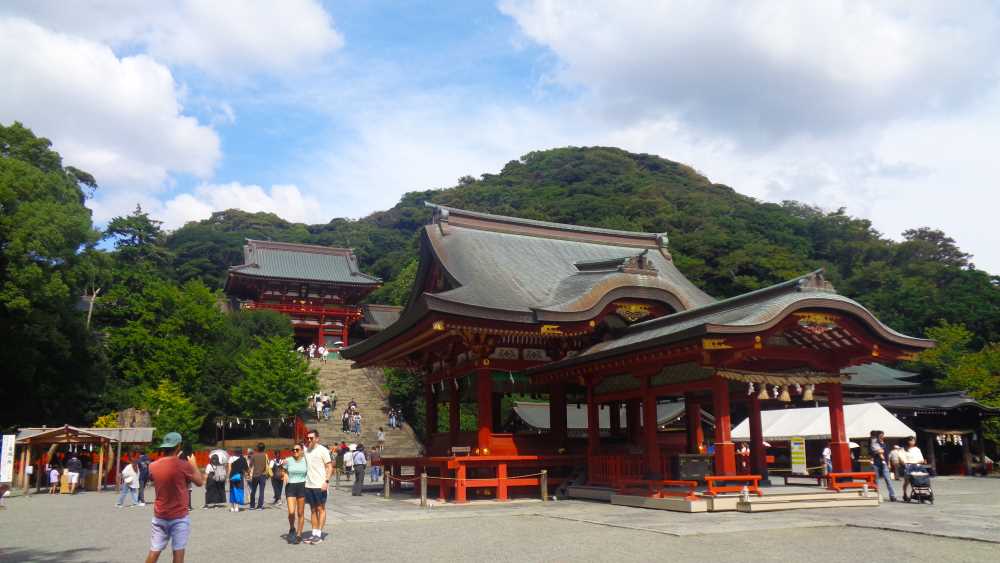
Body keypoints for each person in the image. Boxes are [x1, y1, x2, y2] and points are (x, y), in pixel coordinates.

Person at [144, 432, 205, 563]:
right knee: (178, 552)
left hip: (160, 514)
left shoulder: (153, 466)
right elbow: (200, 482)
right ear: (178, 446)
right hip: (179, 516)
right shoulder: (183, 465)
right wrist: (193, 463)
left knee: (154, 550)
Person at [302, 429, 333, 545]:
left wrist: (326, 481)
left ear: (317, 438)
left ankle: (319, 534)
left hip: (320, 484)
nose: (309, 440)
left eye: (311, 438)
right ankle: (314, 533)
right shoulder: (307, 450)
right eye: (308, 438)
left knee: (321, 508)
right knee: (313, 509)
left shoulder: (323, 450)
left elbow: (329, 467)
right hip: (308, 484)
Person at [283, 444, 308, 544]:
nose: (295, 451)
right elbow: (283, 471)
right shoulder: (288, 460)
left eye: (297, 450)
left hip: (302, 486)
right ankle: (292, 528)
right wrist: (284, 475)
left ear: (302, 450)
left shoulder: (306, 460)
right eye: (293, 450)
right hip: (290, 486)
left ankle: (299, 534)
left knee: (300, 513)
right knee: (291, 512)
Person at [869, 430, 897, 502]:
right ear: (877, 437)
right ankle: (877, 495)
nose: (882, 437)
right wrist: (878, 451)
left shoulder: (885, 444)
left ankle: (892, 495)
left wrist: (889, 463)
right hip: (876, 463)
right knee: (876, 480)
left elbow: (886, 454)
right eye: (880, 436)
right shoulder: (873, 443)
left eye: (883, 436)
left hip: (884, 463)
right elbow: (873, 452)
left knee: (888, 480)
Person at [901, 435, 927, 502]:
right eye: (911, 440)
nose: (912, 442)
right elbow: (903, 460)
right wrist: (907, 463)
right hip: (909, 467)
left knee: (918, 482)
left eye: (913, 440)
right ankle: (905, 494)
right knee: (907, 482)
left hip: (917, 466)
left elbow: (921, 459)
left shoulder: (917, 449)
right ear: (907, 441)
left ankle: (920, 495)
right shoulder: (903, 450)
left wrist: (919, 462)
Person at [248, 443, 269, 510]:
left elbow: (250, 465)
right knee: (261, 491)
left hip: (255, 475)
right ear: (264, 448)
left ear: (257, 448)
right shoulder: (265, 455)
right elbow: (267, 464)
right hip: (263, 475)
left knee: (253, 490)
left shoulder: (254, 455)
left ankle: (252, 505)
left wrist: (248, 473)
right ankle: (260, 506)